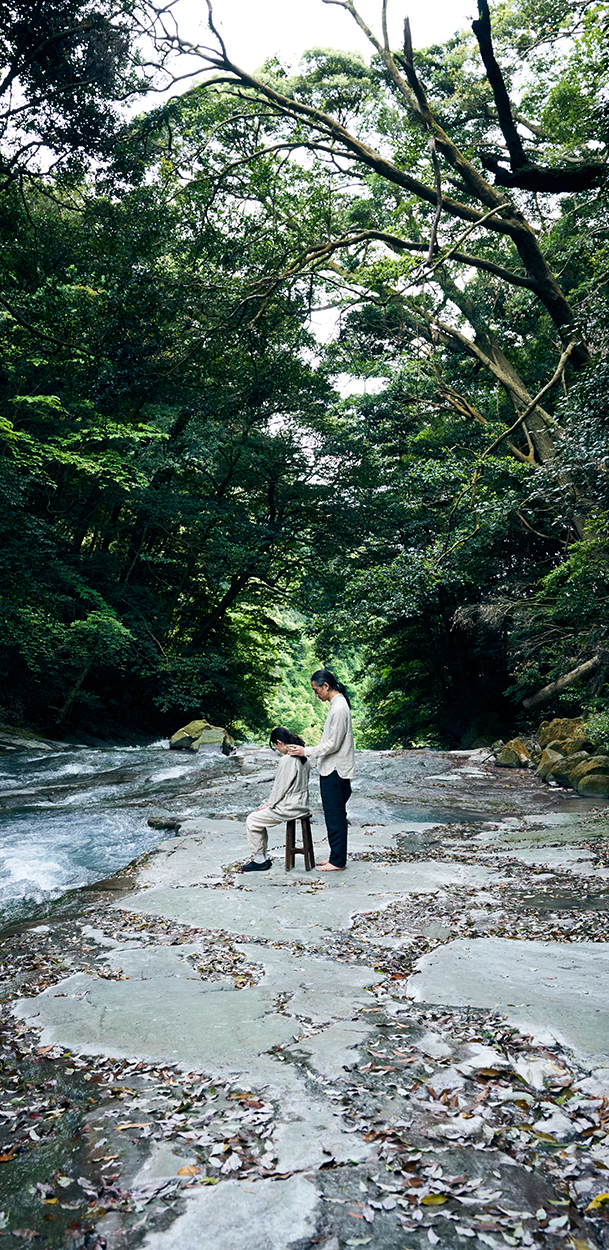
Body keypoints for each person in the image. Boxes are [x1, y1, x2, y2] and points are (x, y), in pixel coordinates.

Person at [288, 668, 355, 871]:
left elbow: (333, 744)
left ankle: (338, 861)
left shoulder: (339, 708)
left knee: (335, 816)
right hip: (333, 769)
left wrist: (305, 751)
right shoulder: (337, 705)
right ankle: (335, 856)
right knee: (334, 815)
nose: (316, 695)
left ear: (326, 686)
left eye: (317, 691)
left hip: (335, 770)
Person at [241, 726, 310, 873]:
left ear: (279, 742)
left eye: (275, 746)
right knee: (257, 819)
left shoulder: (288, 759)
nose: (277, 749)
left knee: (252, 820)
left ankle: (260, 860)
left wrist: (268, 804)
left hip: (289, 807)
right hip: (302, 804)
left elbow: (280, 788)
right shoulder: (303, 756)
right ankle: (262, 858)